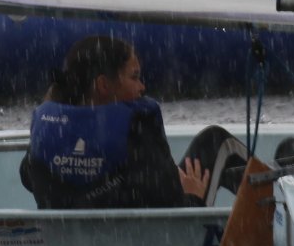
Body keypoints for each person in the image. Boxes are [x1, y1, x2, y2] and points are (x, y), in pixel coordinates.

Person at [19, 35, 267, 210]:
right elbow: (172, 207)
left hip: (80, 244)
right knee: (216, 141)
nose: (142, 87)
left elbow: (29, 179)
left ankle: (269, 187)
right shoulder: (136, 132)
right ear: (104, 85)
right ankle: (275, 205)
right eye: (135, 77)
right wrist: (193, 194)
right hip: (168, 242)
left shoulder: (48, 134)